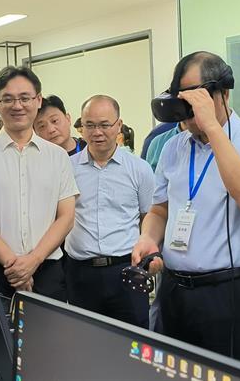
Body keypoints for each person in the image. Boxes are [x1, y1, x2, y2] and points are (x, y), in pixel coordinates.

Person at [132, 51, 240, 367]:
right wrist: (148, 238)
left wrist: (213, 129)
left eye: (194, 100)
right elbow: (160, 209)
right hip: (174, 291)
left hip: (229, 293)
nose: (187, 114)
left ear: (223, 93)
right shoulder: (173, 146)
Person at [0, 66, 79, 301]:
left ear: (38, 100)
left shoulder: (58, 156)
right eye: (8, 99)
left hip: (48, 269)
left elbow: (66, 217)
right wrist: (15, 265)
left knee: (49, 327)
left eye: (25, 98)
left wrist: (33, 261)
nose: (17, 105)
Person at [65, 95, 154, 327]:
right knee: (84, 339)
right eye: (90, 125)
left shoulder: (140, 169)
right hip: (80, 273)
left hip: (126, 270)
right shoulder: (67, 168)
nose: (97, 132)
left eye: (105, 125)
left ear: (119, 125)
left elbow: (149, 216)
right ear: (81, 127)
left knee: (133, 339)